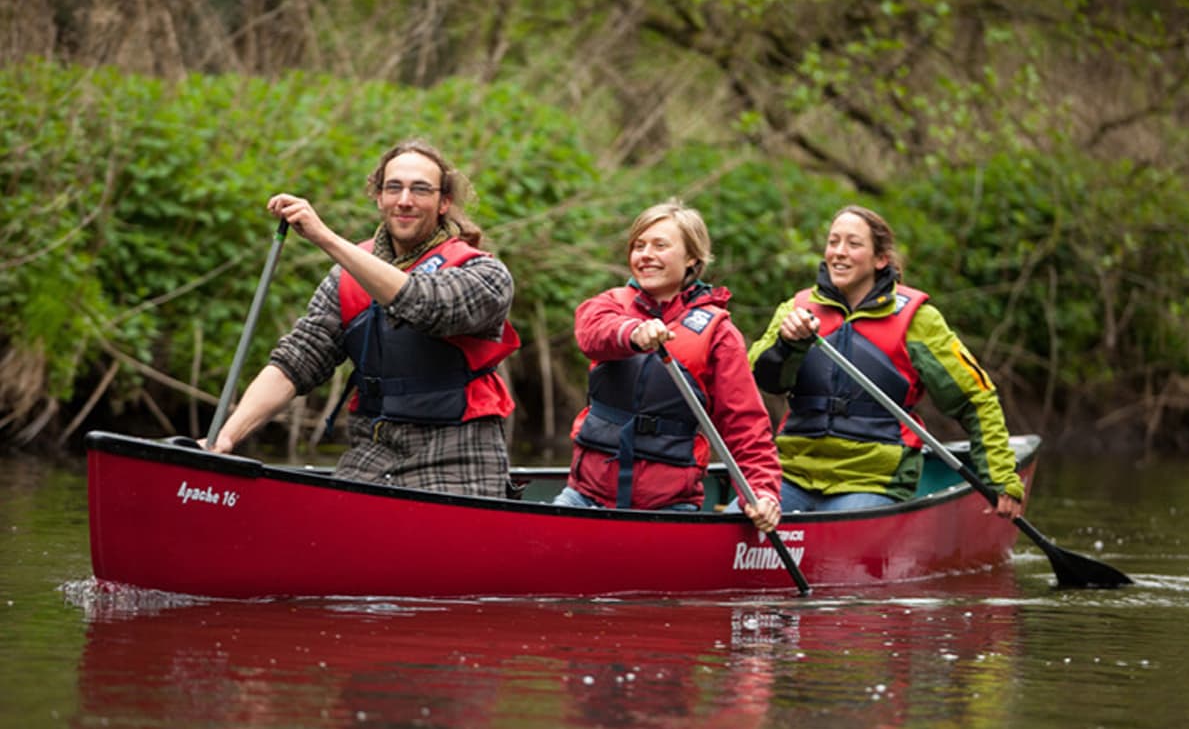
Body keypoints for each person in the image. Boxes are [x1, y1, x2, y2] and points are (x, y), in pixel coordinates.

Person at [205, 138, 520, 498]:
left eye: (420, 190)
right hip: (374, 449)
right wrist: (226, 437)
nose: (404, 200)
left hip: (458, 452)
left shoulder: (484, 274)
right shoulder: (345, 277)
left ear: (444, 202)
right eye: (394, 188)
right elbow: (297, 361)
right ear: (379, 197)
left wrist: (326, 239)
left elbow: (424, 304)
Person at [748, 204, 1025, 516]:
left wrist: (1001, 479)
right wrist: (787, 344)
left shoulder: (919, 320)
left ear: (880, 259)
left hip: (873, 481)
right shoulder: (796, 309)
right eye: (833, 242)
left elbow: (976, 399)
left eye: (853, 244)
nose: (839, 252)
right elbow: (760, 377)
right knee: (741, 516)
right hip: (791, 475)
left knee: (847, 528)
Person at [552, 199, 782, 533]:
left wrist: (762, 491)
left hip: (668, 505)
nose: (645, 255)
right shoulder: (610, 305)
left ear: (692, 258)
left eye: (660, 246)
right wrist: (633, 332)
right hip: (586, 496)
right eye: (639, 246)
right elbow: (592, 334)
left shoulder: (718, 333)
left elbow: (744, 426)